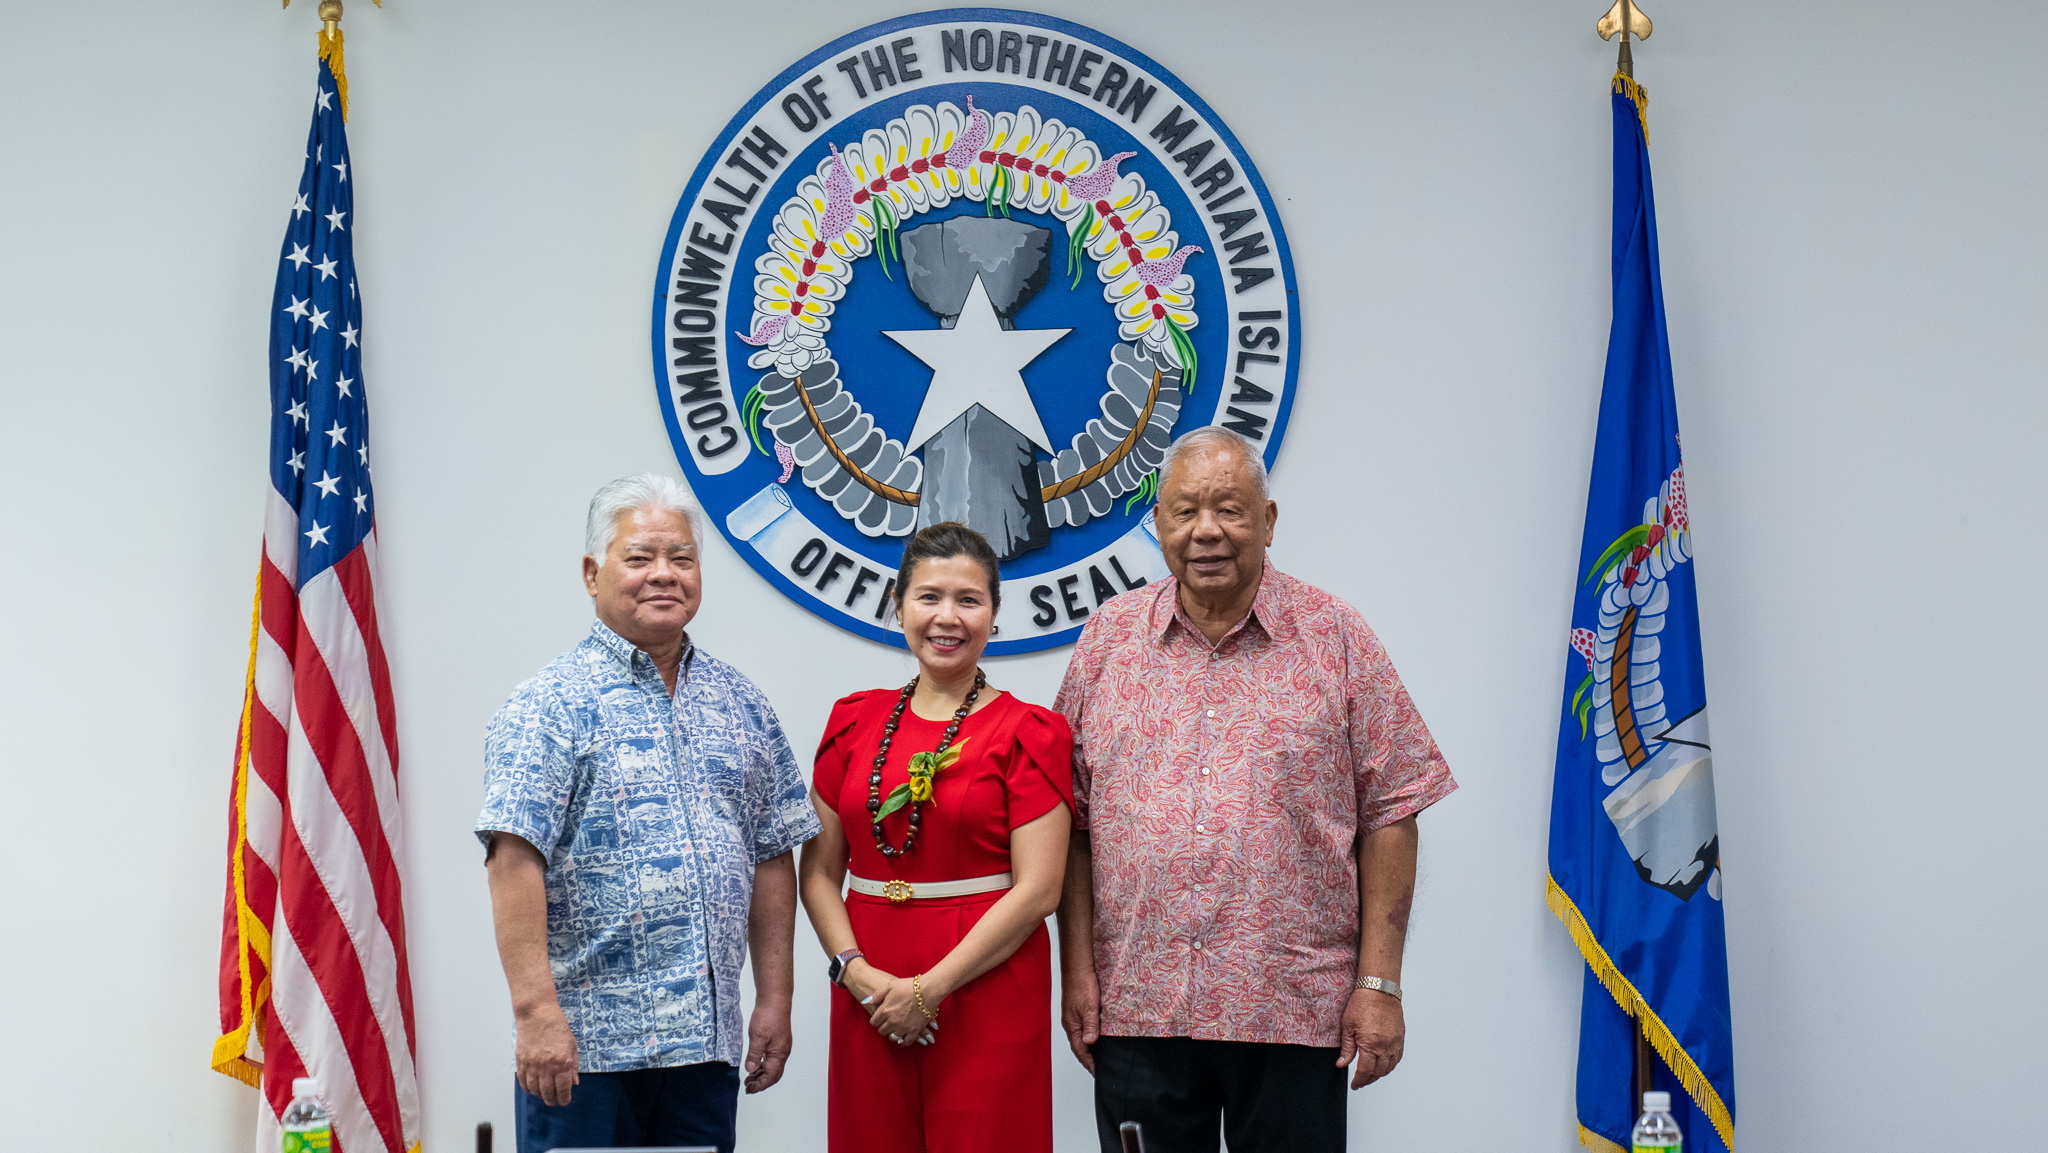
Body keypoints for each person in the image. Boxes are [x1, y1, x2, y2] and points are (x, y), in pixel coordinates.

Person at [1055, 427, 1458, 1153]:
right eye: (1185, 510)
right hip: (1139, 1005)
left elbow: (1394, 809)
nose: (1207, 529)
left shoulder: (1336, 636)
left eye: (1230, 508)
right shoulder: (1109, 640)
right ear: (1157, 523)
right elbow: (1073, 824)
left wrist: (1381, 983)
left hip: (1292, 1009)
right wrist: (1077, 972)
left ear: (1268, 521)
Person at [476, 473, 821, 1153]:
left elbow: (773, 854)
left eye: (682, 558)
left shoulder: (742, 703)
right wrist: (536, 1013)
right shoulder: (547, 702)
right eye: (639, 557)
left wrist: (775, 1000)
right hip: (584, 1054)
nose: (663, 574)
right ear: (591, 571)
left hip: (704, 1052)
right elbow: (512, 859)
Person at [798, 522, 1075, 1153]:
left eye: (968, 600)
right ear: (898, 607)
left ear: (995, 616)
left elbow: (1039, 891)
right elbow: (816, 874)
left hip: (985, 984)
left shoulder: (1031, 732)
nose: (946, 617)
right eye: (928, 597)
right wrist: (858, 976)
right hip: (869, 990)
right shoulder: (851, 722)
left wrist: (929, 990)